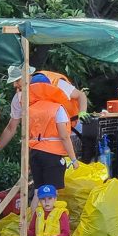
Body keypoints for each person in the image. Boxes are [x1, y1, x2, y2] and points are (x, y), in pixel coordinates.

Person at [0, 65, 89, 155]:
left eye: (17, 80)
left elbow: (81, 95)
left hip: (73, 131)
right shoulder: (19, 98)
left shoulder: (55, 82)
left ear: (28, 75)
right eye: (13, 81)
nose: (14, 85)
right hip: (45, 143)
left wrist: (82, 112)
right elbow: (11, 128)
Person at [26, 74, 79, 211]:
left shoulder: (30, 110)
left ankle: (33, 226)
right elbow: (64, 136)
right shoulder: (57, 108)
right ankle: (49, 226)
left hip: (35, 154)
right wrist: (74, 159)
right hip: (52, 155)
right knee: (51, 194)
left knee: (38, 192)